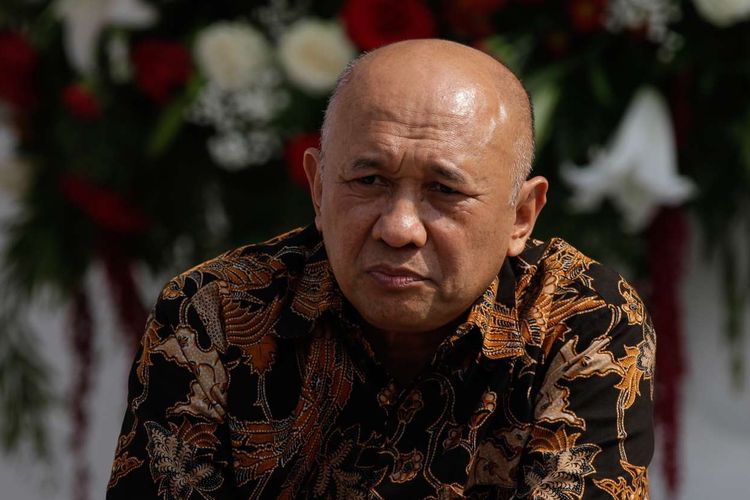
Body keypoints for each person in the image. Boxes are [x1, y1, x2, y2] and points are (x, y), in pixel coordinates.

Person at [107, 39, 654, 499]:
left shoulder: (582, 319)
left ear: (521, 215)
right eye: (369, 181)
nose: (399, 228)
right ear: (318, 189)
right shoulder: (217, 312)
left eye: (445, 190)